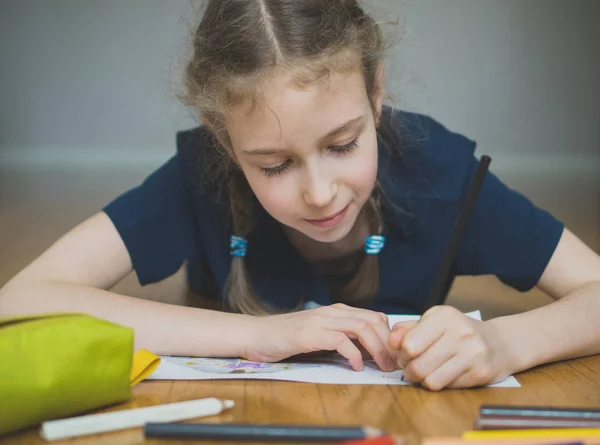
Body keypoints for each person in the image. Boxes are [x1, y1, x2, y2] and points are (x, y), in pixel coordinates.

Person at [1, 0, 599, 391]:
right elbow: (23, 298)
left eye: (343, 145)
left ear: (376, 92)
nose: (320, 193)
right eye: (275, 164)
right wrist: (261, 335)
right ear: (224, 139)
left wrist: (505, 341)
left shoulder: (439, 177)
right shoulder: (198, 179)